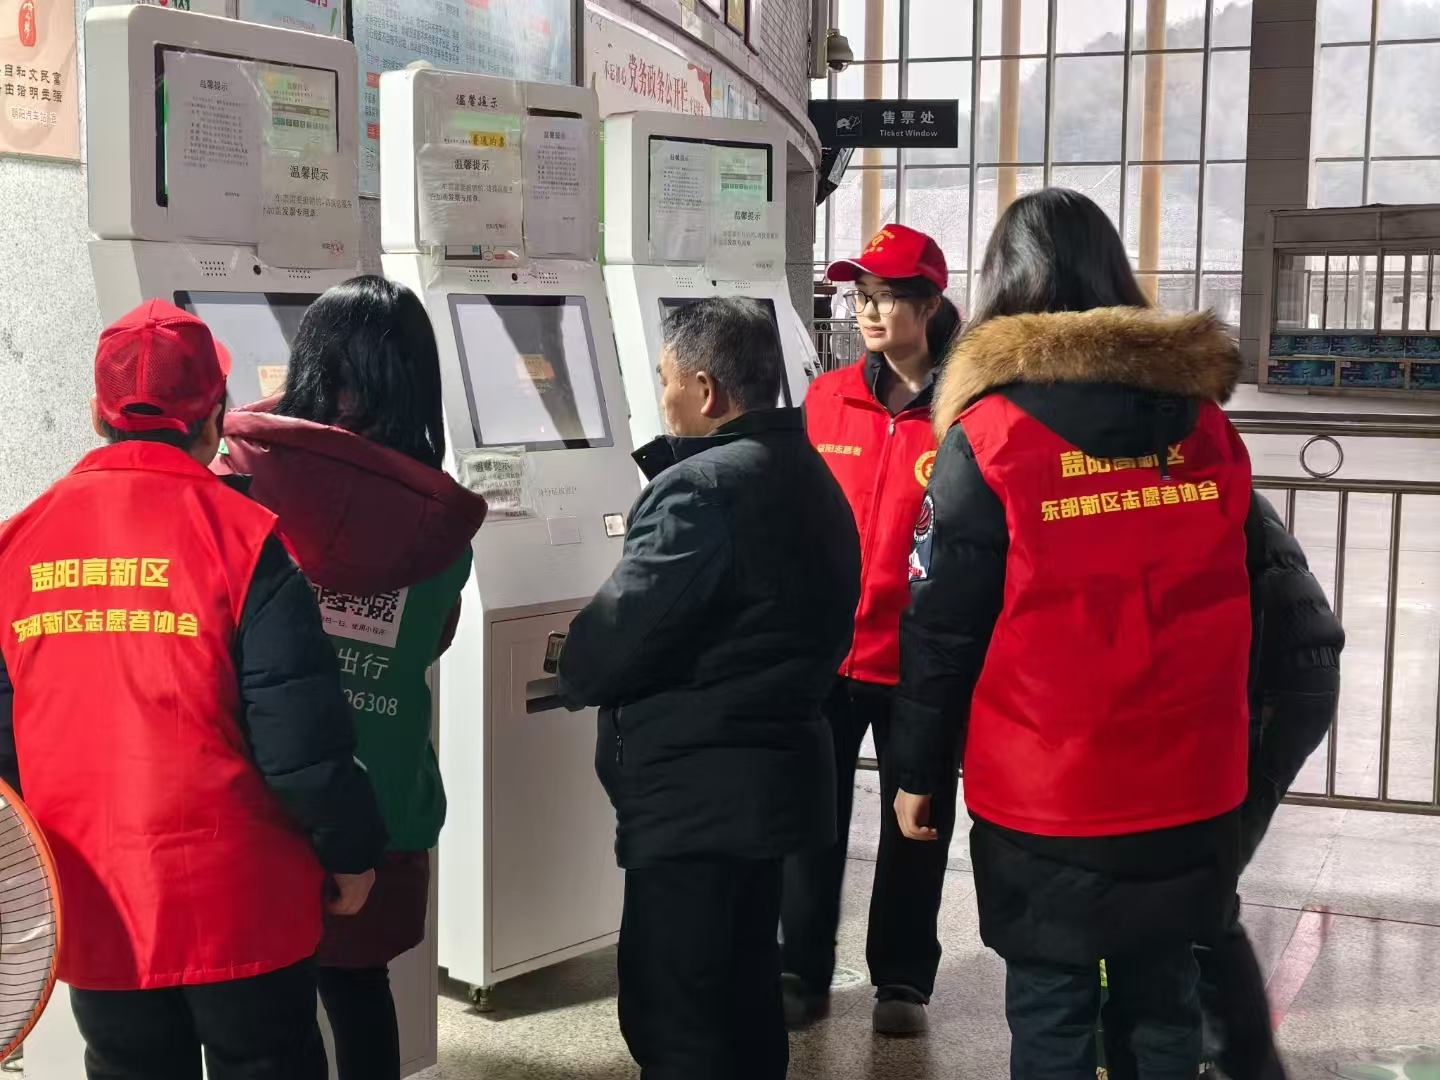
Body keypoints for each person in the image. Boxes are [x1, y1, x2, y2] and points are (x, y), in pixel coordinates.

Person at [893, 188, 1259, 1080]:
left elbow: (944, 626)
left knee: (1051, 1007)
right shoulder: (1208, 427)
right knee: (1164, 998)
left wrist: (918, 771)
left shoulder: (991, 434)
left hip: (1049, 786)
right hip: (1192, 776)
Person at [0, 299, 387, 1080]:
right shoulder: (247, 541)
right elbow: (300, 746)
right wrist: (351, 853)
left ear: (97, 414)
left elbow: (6, 753)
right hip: (241, 906)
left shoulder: (16, 546)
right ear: (214, 420)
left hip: (98, 900)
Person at [555, 297, 860, 1080]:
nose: (662, 396)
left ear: (704, 389)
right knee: (746, 1001)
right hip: (769, 787)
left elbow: (619, 637)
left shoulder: (703, 490)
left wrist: (572, 661)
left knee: (674, 1018)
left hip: (695, 801)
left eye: (665, 380)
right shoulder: (811, 473)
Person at [215, 276, 488, 1080]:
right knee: (361, 990)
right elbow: (433, 640)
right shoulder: (444, 526)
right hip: (385, 800)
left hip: (262, 800)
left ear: (318, 369)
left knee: (266, 1016)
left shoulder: (238, 491)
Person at [782, 223, 962, 1035]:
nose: (868, 312)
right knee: (809, 818)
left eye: (887, 297)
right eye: (861, 297)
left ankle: (903, 978)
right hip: (824, 653)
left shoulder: (966, 412)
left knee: (915, 820)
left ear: (929, 304)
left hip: (920, 660)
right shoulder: (828, 398)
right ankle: (801, 965)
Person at [1106, 494, 1344, 1080]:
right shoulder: (1179, 466)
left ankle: (1247, 1066)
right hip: (1281, 671)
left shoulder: (1165, 483)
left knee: (1199, 893)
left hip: (1270, 684)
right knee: (1197, 888)